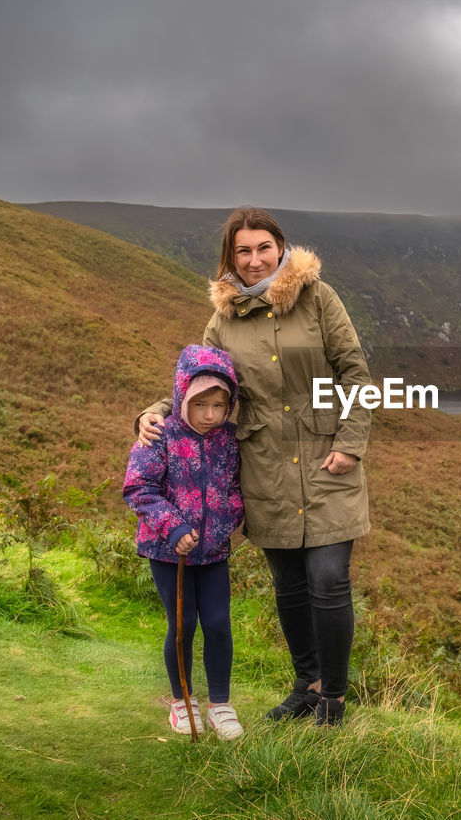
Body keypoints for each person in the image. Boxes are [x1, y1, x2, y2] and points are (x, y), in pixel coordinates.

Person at [137, 207, 371, 727]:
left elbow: (356, 372)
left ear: (281, 248)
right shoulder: (224, 319)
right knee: (288, 583)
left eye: (263, 247)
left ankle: (334, 698)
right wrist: (154, 412)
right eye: (243, 250)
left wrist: (351, 442)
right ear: (231, 257)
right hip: (263, 464)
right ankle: (306, 685)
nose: (253, 259)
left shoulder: (318, 297)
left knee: (329, 579)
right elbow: (199, 385)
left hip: (328, 456)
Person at [125, 344, 246, 739]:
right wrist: (174, 529)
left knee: (218, 623)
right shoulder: (159, 433)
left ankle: (220, 705)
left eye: (218, 404)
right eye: (200, 405)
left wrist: (225, 523)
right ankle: (182, 701)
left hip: (212, 552)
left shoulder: (228, 440)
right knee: (183, 624)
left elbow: (234, 490)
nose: (210, 415)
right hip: (167, 552)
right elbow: (139, 488)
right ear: (181, 397)